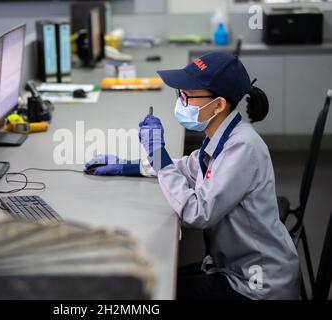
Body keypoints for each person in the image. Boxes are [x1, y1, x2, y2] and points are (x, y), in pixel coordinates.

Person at [85, 52, 300, 300]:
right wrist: (129, 166)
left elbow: (197, 213)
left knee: (152, 294)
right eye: (180, 94)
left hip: (257, 286)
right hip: (230, 266)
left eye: (187, 96)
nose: (181, 102)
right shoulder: (222, 134)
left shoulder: (243, 147)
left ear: (218, 104)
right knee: (157, 280)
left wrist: (158, 154)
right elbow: (189, 167)